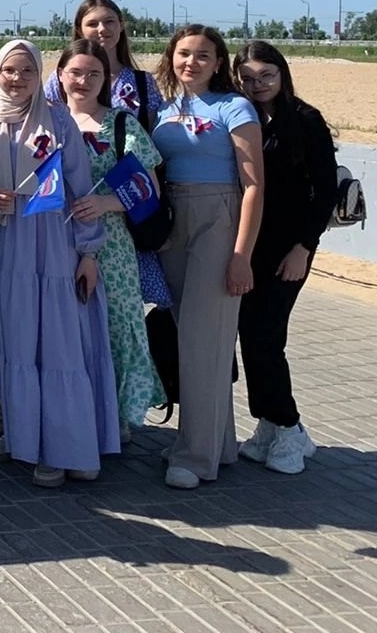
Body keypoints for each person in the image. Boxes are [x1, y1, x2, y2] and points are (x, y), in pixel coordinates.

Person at [0, 39, 120, 488]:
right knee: (14, 345)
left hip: (52, 249)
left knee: (58, 347)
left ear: (40, 74)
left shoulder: (58, 121)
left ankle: (68, 448)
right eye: (9, 70)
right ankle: (24, 436)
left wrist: (88, 252)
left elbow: (80, 190)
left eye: (27, 70)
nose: (17, 78)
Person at [150, 25, 263, 490]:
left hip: (218, 216)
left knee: (203, 341)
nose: (191, 62)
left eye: (202, 55)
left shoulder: (234, 107)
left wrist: (241, 254)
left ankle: (196, 458)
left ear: (218, 63)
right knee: (196, 339)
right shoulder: (166, 108)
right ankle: (219, 443)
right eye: (183, 53)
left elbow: (253, 185)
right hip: (174, 217)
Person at [233, 41, 335, 476]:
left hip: (287, 251)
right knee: (250, 337)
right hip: (248, 247)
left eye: (266, 76)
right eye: (248, 78)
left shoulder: (306, 121)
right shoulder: (242, 118)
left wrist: (303, 248)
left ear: (282, 74)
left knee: (266, 337)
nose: (258, 85)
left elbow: (325, 191)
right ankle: (268, 424)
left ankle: (290, 428)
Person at [57, 40, 168, 441]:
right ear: (60, 75)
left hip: (113, 246)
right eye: (75, 72)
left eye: (94, 73)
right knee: (67, 329)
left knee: (118, 326)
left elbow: (149, 188)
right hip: (56, 243)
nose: (83, 81)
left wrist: (106, 203)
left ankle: (117, 414)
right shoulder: (49, 122)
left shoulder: (122, 124)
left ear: (106, 78)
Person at [45, 0, 162, 130]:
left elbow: (150, 132)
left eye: (109, 21)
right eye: (92, 24)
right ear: (79, 30)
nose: (102, 29)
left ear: (121, 25)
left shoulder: (142, 82)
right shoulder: (61, 80)